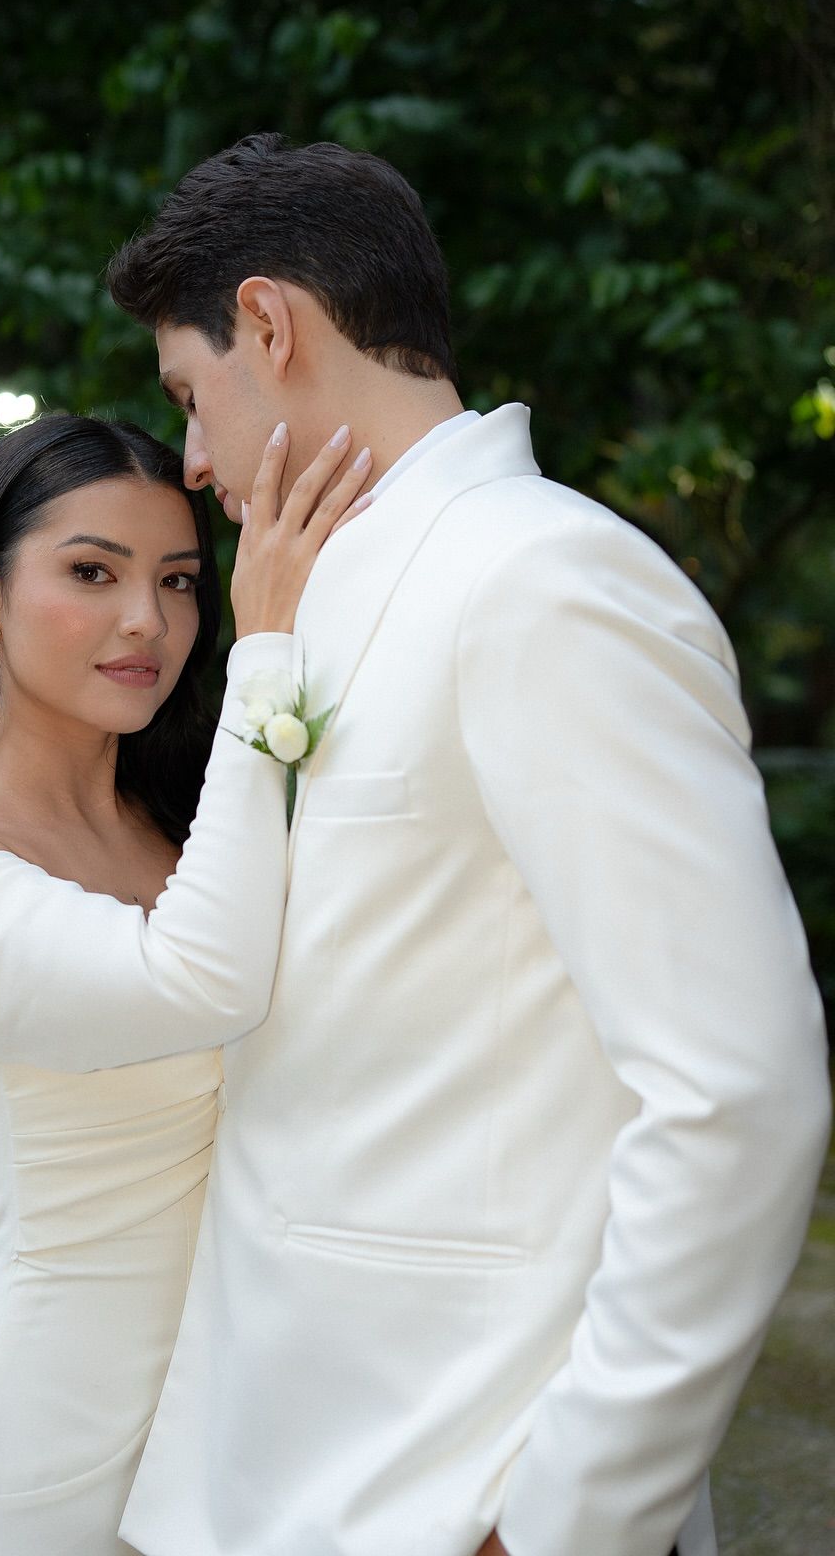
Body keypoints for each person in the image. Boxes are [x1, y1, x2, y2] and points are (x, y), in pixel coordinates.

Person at [105, 131, 832, 1556]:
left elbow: (739, 1095)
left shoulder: (548, 581)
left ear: (270, 323)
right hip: (286, 1453)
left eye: (189, 395)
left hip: (448, 1485)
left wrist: (567, 1518)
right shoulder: (316, 601)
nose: (189, 458)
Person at [0, 411, 372, 1556]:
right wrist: (267, 644)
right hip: (26, 1449)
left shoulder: (192, 828)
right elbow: (194, 988)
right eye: (93, 572)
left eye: (181, 581)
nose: (149, 621)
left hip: (227, 1430)